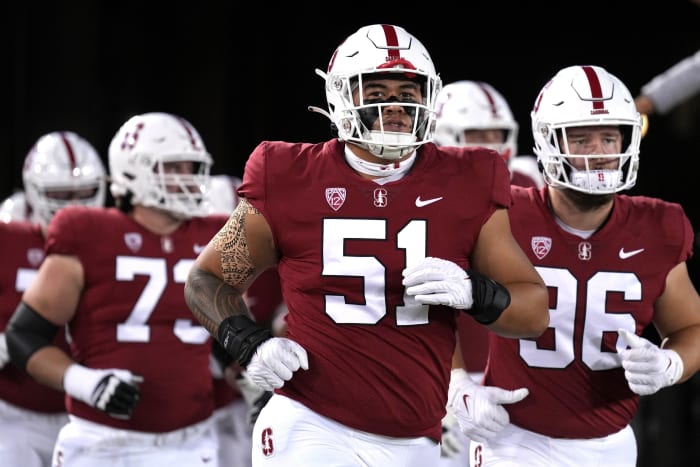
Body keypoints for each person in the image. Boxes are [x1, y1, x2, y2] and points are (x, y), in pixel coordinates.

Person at [184, 23, 549, 466]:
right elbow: (207, 278)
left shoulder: (470, 178)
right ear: (340, 96)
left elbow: (533, 312)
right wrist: (248, 342)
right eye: (375, 91)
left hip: (417, 435)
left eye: (407, 92)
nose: (394, 105)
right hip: (310, 420)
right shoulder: (287, 174)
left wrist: (477, 293)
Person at [462, 65, 700, 467]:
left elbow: (689, 328)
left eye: (609, 137)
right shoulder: (503, 211)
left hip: (610, 443)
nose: (599, 152)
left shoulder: (660, 225)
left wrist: (671, 364)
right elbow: (427, 295)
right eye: (581, 138)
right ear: (548, 141)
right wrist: (456, 384)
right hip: (513, 437)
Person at [6, 112, 229, 466]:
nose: (188, 179)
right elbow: (24, 336)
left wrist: (244, 365)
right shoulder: (88, 232)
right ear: (133, 170)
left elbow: (232, 329)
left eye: (191, 168)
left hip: (193, 440)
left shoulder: (216, 234)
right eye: (174, 168)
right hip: (104, 444)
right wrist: (86, 384)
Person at [433, 80, 545, 464]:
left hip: (521, 375)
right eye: (477, 134)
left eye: (497, 134)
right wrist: (450, 384)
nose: (491, 145)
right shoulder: (419, 196)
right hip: (443, 376)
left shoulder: (533, 181)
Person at [0, 131, 106, 467]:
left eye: (84, 192)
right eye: (60, 194)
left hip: (89, 415)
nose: (74, 205)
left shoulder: (115, 239)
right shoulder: (9, 238)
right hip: (13, 414)